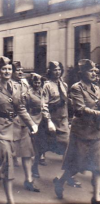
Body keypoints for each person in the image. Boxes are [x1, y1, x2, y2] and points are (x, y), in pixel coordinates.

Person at [0, 56, 38, 204]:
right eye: (4, 69)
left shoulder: (17, 87)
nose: (7, 71)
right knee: (8, 162)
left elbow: (21, 109)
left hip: (15, 129)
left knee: (6, 164)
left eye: (9, 69)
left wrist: (32, 123)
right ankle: (10, 200)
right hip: (0, 129)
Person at [53, 59, 100, 204]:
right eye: (90, 71)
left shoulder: (97, 88)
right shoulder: (76, 88)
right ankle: (60, 182)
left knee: (98, 163)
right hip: (81, 132)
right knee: (76, 165)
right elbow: (79, 109)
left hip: (96, 131)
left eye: (95, 71)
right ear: (82, 73)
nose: (94, 73)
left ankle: (96, 197)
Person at [41, 61, 81, 187]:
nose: (57, 72)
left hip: (63, 121)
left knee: (69, 148)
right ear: (50, 71)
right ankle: (34, 169)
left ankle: (69, 176)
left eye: (59, 69)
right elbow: (44, 105)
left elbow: (66, 103)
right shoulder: (47, 86)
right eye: (54, 70)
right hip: (52, 121)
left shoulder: (64, 84)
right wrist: (48, 121)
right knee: (41, 147)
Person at [11, 61, 40, 192]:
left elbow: (30, 99)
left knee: (27, 153)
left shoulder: (24, 84)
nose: (21, 72)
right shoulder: (6, 84)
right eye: (18, 70)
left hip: (23, 123)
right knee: (8, 155)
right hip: (9, 124)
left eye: (22, 70)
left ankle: (28, 180)